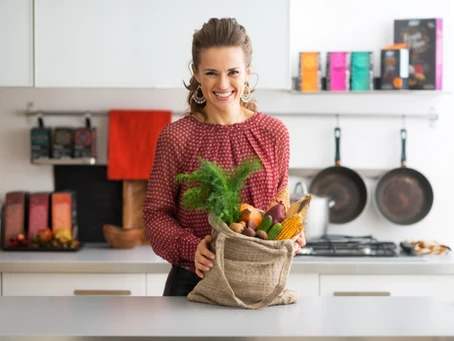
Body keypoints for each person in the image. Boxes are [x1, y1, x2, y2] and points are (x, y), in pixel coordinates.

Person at [143, 17, 306, 297]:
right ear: (196, 73)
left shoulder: (274, 133)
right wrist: (191, 247)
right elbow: (155, 215)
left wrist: (290, 235)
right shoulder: (177, 137)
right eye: (211, 73)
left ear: (247, 73)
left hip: (259, 283)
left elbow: (279, 203)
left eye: (233, 72)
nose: (223, 84)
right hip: (194, 282)